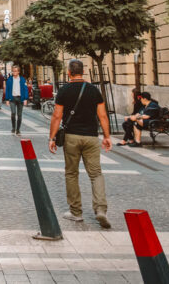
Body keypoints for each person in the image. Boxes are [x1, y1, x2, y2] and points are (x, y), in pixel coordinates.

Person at [48, 59, 112, 229]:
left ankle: (76, 212)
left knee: (71, 173)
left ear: (69, 72)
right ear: (82, 71)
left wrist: (52, 137)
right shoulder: (93, 90)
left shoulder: (64, 90)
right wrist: (107, 136)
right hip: (91, 136)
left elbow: (56, 116)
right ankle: (101, 210)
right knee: (96, 173)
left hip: (71, 137)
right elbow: (103, 116)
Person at [3, 65, 29, 135]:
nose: (14, 72)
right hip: (12, 99)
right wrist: (7, 99)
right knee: (13, 113)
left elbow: (25, 89)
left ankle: (18, 129)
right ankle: (13, 128)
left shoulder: (23, 79)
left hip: (20, 98)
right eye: (13, 71)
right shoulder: (9, 79)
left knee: (19, 115)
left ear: (18, 72)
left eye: (16, 71)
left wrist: (26, 98)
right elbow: (7, 90)